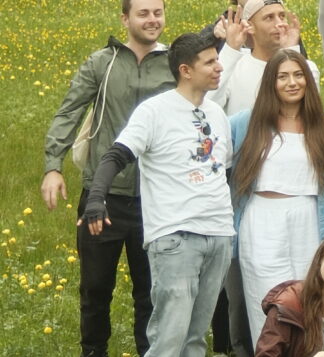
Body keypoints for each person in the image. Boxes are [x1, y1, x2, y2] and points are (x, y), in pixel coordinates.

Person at [81, 32, 236, 357]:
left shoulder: (217, 113)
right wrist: (96, 199)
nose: (219, 67)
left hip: (219, 234)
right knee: (168, 340)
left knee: (195, 340)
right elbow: (115, 156)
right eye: (210, 62)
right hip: (176, 237)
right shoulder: (154, 111)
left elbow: (222, 171)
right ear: (185, 70)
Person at [44, 0, 172, 357]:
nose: (152, 20)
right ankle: (93, 350)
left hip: (155, 199)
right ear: (125, 18)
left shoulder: (174, 63)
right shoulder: (102, 62)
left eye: (158, 13)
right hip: (103, 197)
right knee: (95, 288)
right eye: (143, 13)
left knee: (151, 291)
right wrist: (53, 166)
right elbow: (69, 112)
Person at [229, 50, 324, 339]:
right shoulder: (247, 122)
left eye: (298, 75)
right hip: (262, 220)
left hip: (307, 220)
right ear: (271, 82)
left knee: (310, 301)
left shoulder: (322, 125)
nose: (292, 82)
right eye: (283, 76)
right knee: (267, 304)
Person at [213, 0, 319, 117]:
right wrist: (231, 50)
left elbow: (309, 113)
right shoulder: (235, 67)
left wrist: (291, 52)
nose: (279, 23)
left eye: (282, 16)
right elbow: (209, 104)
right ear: (250, 27)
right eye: (269, 18)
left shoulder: (309, 68)